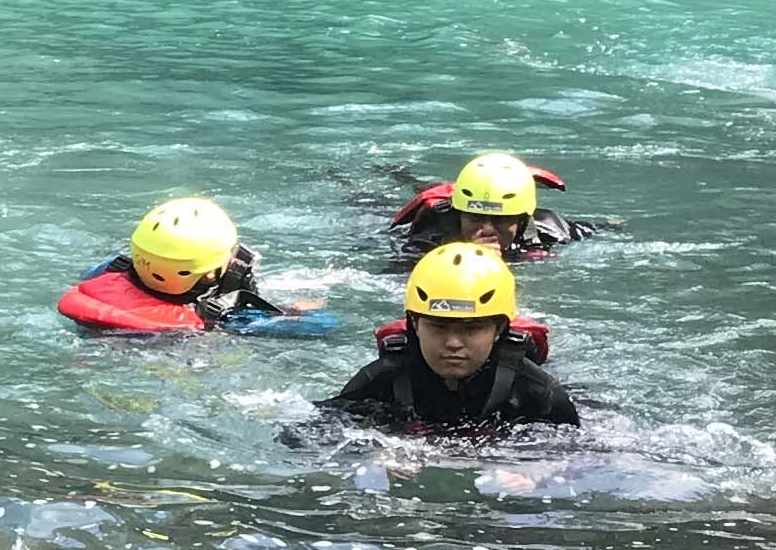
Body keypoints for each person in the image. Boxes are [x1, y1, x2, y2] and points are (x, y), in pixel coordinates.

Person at [319, 241, 582, 439]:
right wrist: (373, 456)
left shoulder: (536, 392)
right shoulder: (384, 379)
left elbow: (582, 458)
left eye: (471, 329)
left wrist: (537, 471)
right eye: (438, 327)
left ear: (498, 329)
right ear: (415, 325)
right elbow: (309, 436)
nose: (453, 343)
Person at [59, 197, 330, 336]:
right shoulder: (222, 315)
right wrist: (294, 312)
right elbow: (323, 328)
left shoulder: (106, 271)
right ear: (210, 272)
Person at [386, 148, 582, 261]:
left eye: (501, 220)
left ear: (523, 220)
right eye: (474, 217)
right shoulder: (429, 238)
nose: (486, 229)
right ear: (459, 214)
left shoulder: (551, 230)